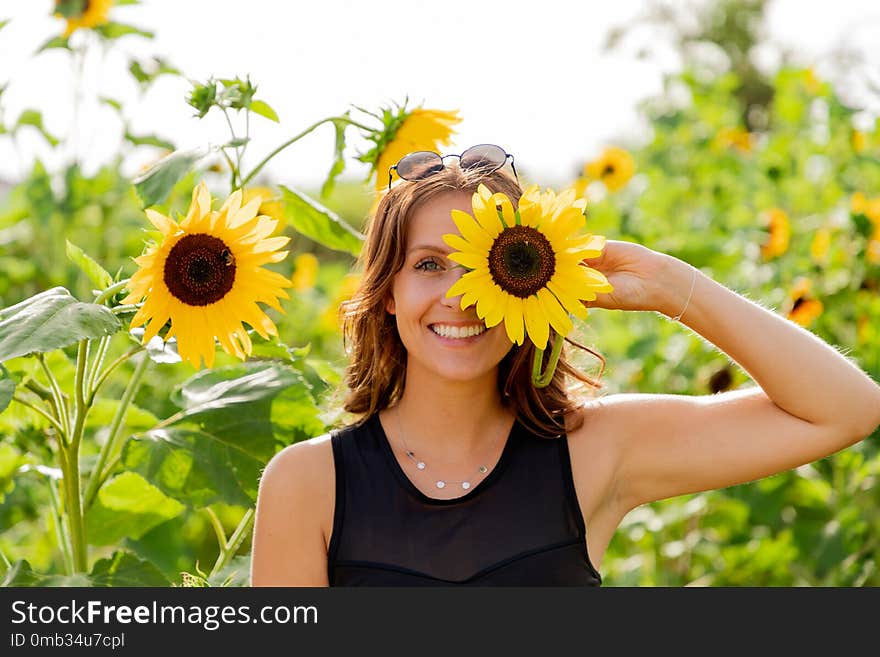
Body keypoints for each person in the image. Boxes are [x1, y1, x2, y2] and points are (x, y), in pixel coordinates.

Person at [250, 148, 880, 586]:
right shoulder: (310, 485)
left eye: (484, 267)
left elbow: (848, 410)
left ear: (531, 283)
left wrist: (668, 285)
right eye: (429, 265)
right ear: (387, 293)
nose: (461, 296)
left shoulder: (596, 451)